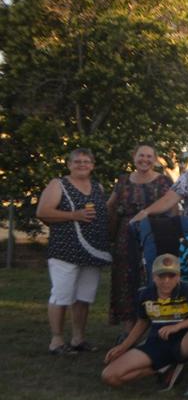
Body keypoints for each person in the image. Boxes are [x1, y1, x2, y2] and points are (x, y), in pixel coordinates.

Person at [101, 253, 188, 396]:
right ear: (153, 276)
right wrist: (123, 346)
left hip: (183, 343)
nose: (166, 281)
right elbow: (142, 322)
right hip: (156, 343)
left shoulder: (186, 290)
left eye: (171, 276)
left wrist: (178, 326)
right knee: (109, 376)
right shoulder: (145, 295)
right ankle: (163, 368)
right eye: (161, 276)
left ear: (178, 276)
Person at [36, 147, 112, 355]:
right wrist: (74, 215)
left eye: (86, 162)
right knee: (61, 295)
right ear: (69, 164)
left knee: (83, 297)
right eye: (77, 161)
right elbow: (43, 212)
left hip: (92, 250)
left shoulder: (97, 187)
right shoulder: (58, 184)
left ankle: (78, 338)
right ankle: (57, 341)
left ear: (92, 165)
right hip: (65, 249)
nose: (82, 165)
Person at [106, 143, 174, 333]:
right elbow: (110, 205)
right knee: (126, 280)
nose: (144, 160)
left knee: (154, 277)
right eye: (141, 156)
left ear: (155, 159)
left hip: (155, 234)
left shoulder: (163, 181)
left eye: (149, 156)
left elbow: (172, 207)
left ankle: (155, 327)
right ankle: (129, 331)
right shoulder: (123, 180)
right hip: (126, 236)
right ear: (134, 157)